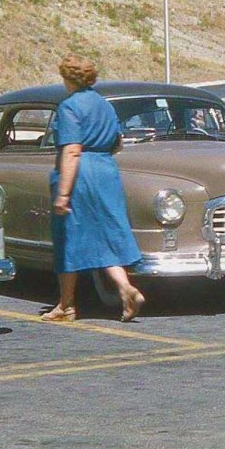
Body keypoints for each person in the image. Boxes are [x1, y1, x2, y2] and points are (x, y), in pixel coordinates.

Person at [42, 54, 145, 323]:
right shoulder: (105, 106)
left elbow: (73, 151)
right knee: (107, 236)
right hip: (106, 170)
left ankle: (66, 305)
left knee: (69, 239)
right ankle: (126, 288)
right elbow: (118, 144)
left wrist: (63, 194)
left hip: (81, 175)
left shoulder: (68, 107)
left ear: (67, 78)